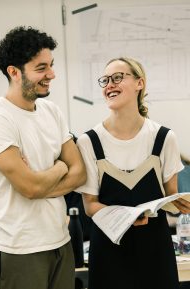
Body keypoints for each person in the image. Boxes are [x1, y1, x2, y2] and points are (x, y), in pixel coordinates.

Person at [76, 57, 190, 289]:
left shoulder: (164, 137)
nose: (110, 84)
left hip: (155, 250)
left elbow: (170, 196)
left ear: (140, 83)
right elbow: (90, 206)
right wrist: (127, 216)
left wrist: (181, 204)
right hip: (108, 252)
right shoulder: (89, 141)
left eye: (118, 77)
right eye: (105, 80)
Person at [0, 26, 86, 289]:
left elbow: (79, 173)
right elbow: (30, 187)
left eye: (51, 65)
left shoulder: (51, 111)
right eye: (41, 68)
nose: (51, 74)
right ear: (14, 72)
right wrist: (59, 168)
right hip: (19, 250)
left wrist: (41, 180)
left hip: (60, 243)